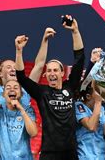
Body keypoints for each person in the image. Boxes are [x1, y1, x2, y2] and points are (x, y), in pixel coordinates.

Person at [15, 15, 84, 160]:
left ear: (62, 73)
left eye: (55, 70)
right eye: (49, 71)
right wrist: (19, 51)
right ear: (45, 75)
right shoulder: (42, 92)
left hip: (70, 152)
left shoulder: (70, 86)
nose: (52, 73)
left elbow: (79, 58)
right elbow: (21, 77)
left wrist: (75, 32)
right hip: (49, 153)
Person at [0, 19, 54, 106]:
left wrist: (45, 40)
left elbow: (39, 65)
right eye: (8, 67)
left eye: (15, 67)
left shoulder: (26, 89)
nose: (13, 69)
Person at [0, 57, 37, 160]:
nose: (12, 89)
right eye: (8, 88)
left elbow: (33, 133)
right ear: (3, 94)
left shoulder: (28, 110)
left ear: (21, 93)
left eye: (16, 88)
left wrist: (21, 109)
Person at [75, 82, 105, 160]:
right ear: (88, 96)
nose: (101, 95)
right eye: (98, 92)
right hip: (84, 156)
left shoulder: (101, 108)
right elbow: (91, 127)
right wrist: (98, 102)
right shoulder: (79, 106)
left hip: (101, 156)